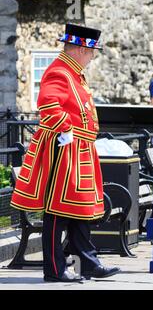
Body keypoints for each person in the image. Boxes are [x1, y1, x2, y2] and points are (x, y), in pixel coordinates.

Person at [10, 24, 120, 282]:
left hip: (79, 150)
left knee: (79, 209)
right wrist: (66, 130)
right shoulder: (59, 71)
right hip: (65, 149)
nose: (93, 57)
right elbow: (48, 104)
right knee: (58, 211)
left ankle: (88, 263)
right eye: (92, 52)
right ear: (82, 49)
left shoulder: (74, 72)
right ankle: (55, 269)